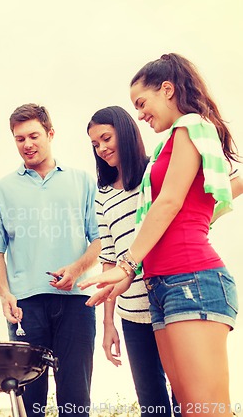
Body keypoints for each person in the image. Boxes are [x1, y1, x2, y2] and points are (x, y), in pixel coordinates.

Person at [79, 53, 239, 417]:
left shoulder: (191, 127)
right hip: (163, 287)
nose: (140, 113)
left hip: (193, 279)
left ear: (167, 89)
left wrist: (126, 265)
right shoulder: (171, 144)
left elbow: (167, 204)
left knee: (206, 411)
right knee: (186, 409)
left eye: (142, 103)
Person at [0, 104, 100, 416]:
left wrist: (76, 268)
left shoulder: (84, 181)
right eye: (19, 139)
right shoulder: (1, 190)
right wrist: (5, 294)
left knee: (75, 398)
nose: (27, 144)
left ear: (50, 134)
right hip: (25, 306)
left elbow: (99, 239)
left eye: (33, 136)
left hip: (76, 301)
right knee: (28, 401)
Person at [87, 106, 180, 417]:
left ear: (124, 132)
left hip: (170, 302)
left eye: (106, 138)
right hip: (132, 314)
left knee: (187, 397)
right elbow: (109, 259)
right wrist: (108, 324)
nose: (101, 149)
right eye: (95, 144)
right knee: (152, 405)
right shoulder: (102, 195)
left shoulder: (155, 174)